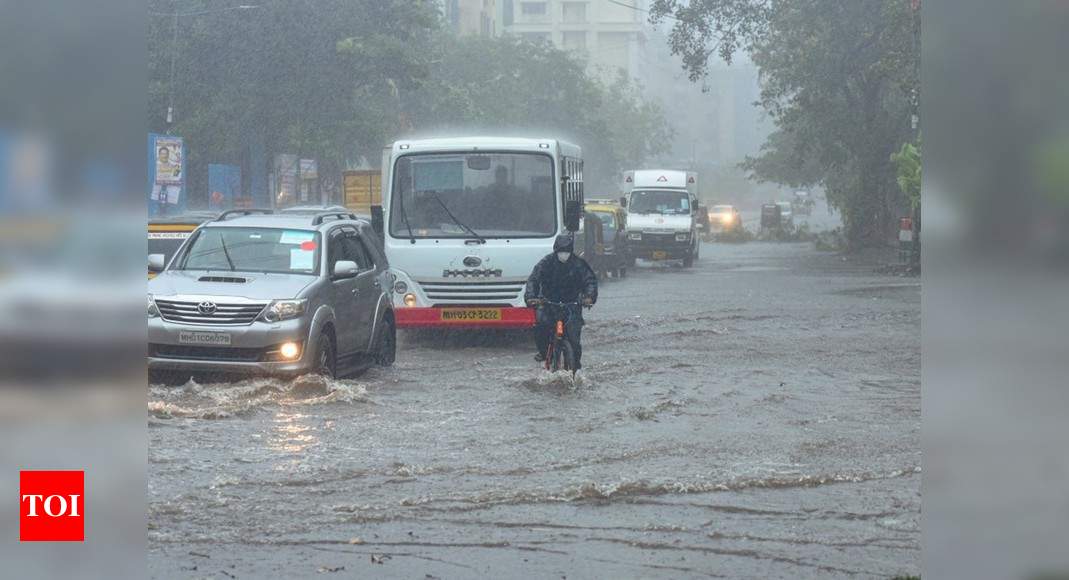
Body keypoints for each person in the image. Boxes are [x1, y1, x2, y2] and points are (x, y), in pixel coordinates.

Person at [525, 233, 598, 369]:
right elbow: (533, 279)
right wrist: (531, 297)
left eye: (566, 252)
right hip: (549, 303)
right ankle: (544, 353)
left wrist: (589, 297)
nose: (563, 255)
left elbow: (590, 281)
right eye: (561, 252)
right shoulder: (546, 263)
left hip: (571, 305)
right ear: (555, 251)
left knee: (574, 340)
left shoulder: (579, 264)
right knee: (541, 326)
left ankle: (575, 366)